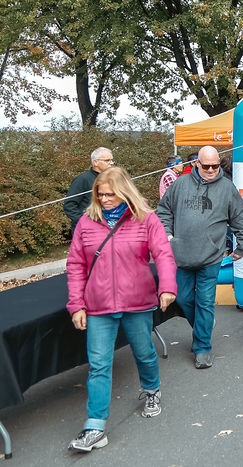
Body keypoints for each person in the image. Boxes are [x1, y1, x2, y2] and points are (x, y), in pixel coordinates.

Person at [65, 166, 177, 453]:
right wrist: (76, 304)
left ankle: (151, 390)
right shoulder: (86, 222)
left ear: (124, 192)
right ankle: (95, 426)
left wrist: (167, 287)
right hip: (98, 305)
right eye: (100, 194)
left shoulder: (146, 219)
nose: (104, 199)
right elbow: (75, 266)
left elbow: (163, 254)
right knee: (99, 365)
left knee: (144, 352)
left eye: (110, 194)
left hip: (137, 301)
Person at [156, 145, 243, 369]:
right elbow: (163, 210)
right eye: (206, 166)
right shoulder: (180, 184)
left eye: (215, 166)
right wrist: (167, 235)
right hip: (181, 255)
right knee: (183, 299)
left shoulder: (227, 187)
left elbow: (239, 217)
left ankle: (202, 348)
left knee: (205, 302)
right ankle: (203, 327)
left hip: (211, 257)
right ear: (196, 163)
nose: (210, 170)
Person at [65, 147, 115, 234]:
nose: (111, 163)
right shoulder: (82, 179)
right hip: (87, 231)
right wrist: (85, 222)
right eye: (107, 160)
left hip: (108, 228)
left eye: (112, 160)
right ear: (95, 162)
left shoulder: (113, 179)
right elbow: (69, 205)